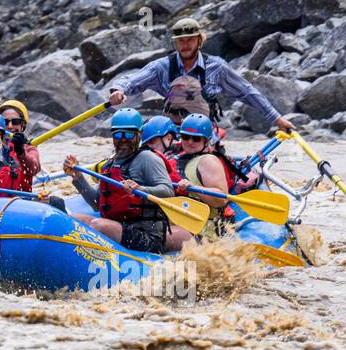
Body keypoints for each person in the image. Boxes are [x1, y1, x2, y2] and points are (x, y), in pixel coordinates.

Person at [106, 17, 296, 132]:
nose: (186, 44)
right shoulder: (162, 67)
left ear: (200, 41)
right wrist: (118, 90)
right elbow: (132, 80)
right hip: (172, 130)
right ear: (175, 44)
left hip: (204, 132)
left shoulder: (217, 68)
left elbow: (247, 92)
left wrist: (277, 119)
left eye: (190, 40)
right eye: (181, 40)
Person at [62, 108, 195, 254]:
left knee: (98, 226)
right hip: (119, 226)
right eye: (118, 134)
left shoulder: (148, 158)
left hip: (147, 235)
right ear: (113, 137)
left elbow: (167, 191)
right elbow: (96, 203)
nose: (123, 139)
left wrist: (140, 190)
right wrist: (78, 178)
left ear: (139, 135)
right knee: (69, 220)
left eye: (129, 134)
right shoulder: (110, 164)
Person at [170, 114, 236, 238]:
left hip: (206, 229)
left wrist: (192, 187)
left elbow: (221, 199)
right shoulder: (177, 159)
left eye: (196, 138)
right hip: (182, 222)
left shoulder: (208, 161)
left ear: (206, 140)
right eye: (185, 137)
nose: (190, 142)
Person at [140, 114, 182, 183]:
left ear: (168, 138)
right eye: (146, 145)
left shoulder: (182, 158)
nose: (149, 147)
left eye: (152, 141)